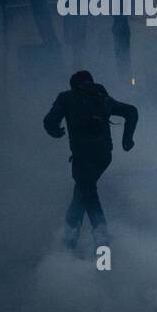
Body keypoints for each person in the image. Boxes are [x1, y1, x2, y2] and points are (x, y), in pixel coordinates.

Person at [42, 70, 138, 249]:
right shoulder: (104, 99)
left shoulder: (67, 97)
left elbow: (49, 121)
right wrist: (127, 139)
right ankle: (72, 237)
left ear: (73, 85)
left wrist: (56, 131)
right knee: (83, 190)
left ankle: (98, 237)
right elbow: (131, 111)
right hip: (103, 156)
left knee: (86, 190)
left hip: (82, 154)